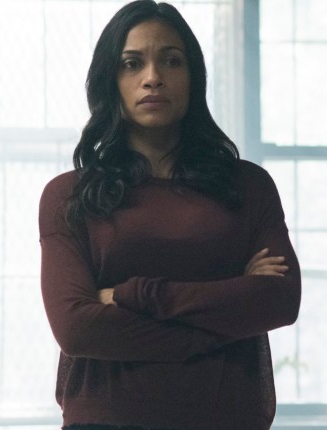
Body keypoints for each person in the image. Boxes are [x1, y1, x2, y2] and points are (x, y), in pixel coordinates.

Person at [38, 1, 301, 429]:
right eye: (132, 64)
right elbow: (77, 329)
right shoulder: (69, 196)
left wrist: (134, 294)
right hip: (105, 420)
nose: (153, 77)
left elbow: (278, 300)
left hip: (227, 418)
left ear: (194, 76)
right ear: (110, 80)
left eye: (171, 61)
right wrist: (225, 316)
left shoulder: (248, 186)